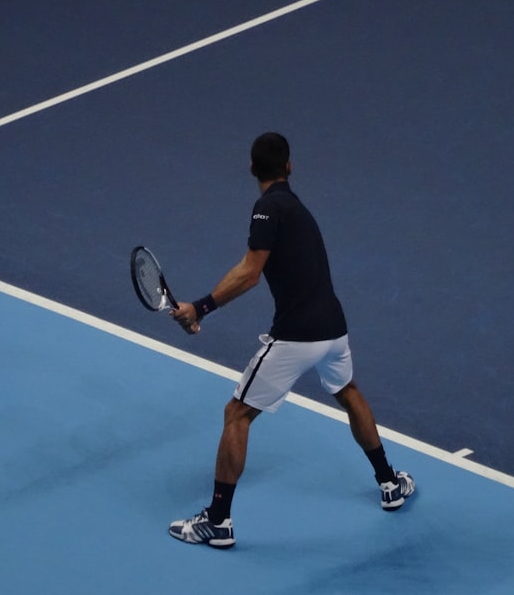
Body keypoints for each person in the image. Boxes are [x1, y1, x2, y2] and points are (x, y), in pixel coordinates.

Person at [167, 132, 414, 549]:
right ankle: (390, 482)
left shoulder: (267, 209)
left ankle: (218, 520)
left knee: (236, 414)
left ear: (251, 170)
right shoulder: (297, 207)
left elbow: (250, 271)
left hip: (297, 335)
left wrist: (201, 307)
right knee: (348, 391)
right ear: (289, 167)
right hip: (334, 329)